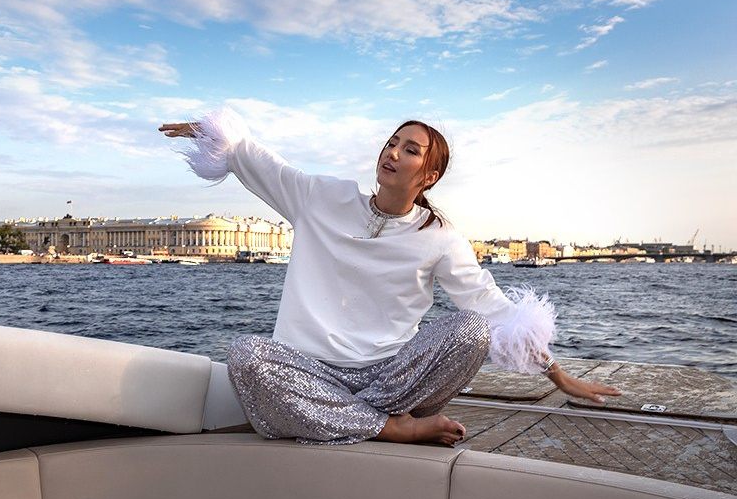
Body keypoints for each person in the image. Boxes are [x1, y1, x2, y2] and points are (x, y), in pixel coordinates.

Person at [160, 109, 620, 446]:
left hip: (394, 380)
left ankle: (342, 418)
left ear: (430, 174)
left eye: (410, 150)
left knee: (472, 330)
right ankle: (389, 427)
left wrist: (560, 377)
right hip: (310, 372)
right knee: (246, 355)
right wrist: (216, 135)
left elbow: (491, 306)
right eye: (392, 143)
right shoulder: (321, 197)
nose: (393, 152)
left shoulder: (439, 237)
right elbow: (262, 163)